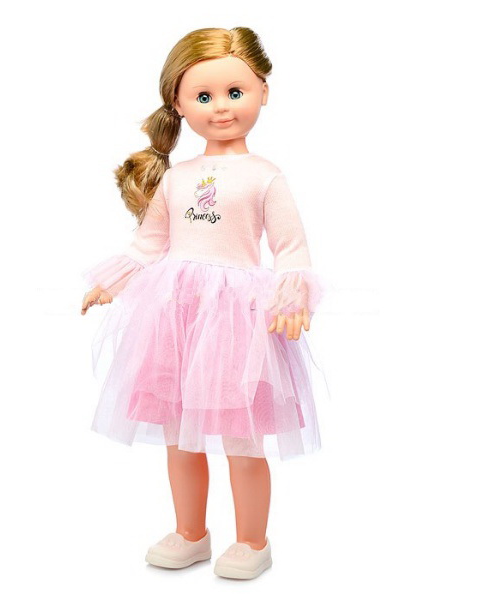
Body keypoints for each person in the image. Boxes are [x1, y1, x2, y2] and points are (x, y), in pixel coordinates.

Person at [80, 26, 328, 580]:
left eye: (236, 92)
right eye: (204, 95)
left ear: (263, 91)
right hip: (175, 318)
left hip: (237, 321)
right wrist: (111, 282)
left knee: (243, 436)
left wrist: (293, 296)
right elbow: (149, 244)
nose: (221, 107)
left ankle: (252, 540)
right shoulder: (176, 178)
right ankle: (191, 532)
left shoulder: (265, 177)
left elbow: (291, 247)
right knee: (179, 434)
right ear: (178, 103)